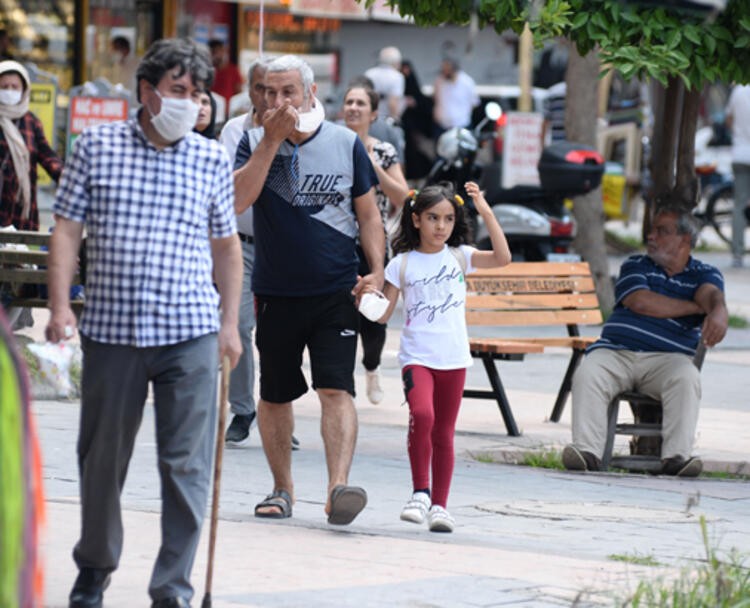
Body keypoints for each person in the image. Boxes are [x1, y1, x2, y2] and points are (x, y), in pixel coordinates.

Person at [46, 38, 243, 608]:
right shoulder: (96, 146)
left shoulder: (209, 157)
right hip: (112, 329)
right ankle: (95, 568)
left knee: (187, 463)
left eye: (197, 93)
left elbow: (226, 248)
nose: (189, 102)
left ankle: (173, 587)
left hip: (191, 332)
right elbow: (66, 230)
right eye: (178, 91)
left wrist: (229, 324)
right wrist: (60, 307)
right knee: (101, 459)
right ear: (147, 91)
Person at [233, 54, 385, 525]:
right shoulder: (252, 141)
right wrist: (271, 141)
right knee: (275, 393)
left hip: (336, 290)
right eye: (268, 92)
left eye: (287, 93)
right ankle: (282, 489)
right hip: (276, 290)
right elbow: (238, 199)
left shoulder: (344, 143)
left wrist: (377, 271)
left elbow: (369, 215)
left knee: (335, 388)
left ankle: (338, 486)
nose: (276, 101)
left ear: (310, 93)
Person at [370, 181, 511, 532]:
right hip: (417, 358)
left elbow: (503, 258)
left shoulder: (460, 256)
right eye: (433, 218)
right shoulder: (401, 264)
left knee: (445, 433)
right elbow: (383, 314)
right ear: (416, 220)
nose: (441, 227)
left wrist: (485, 208)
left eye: (448, 219)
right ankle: (419, 491)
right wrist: (362, 296)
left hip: (453, 360)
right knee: (422, 413)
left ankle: (440, 506)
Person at [562, 204, 728, 477]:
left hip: (667, 360)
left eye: (662, 231)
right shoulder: (636, 264)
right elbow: (640, 302)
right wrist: (695, 307)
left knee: (687, 378)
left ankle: (677, 458)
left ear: (684, 240)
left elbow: (711, 296)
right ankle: (587, 453)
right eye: (652, 230)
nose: (651, 236)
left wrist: (718, 311)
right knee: (589, 372)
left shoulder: (703, 273)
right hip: (616, 352)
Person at [219, 57, 303, 449]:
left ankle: (277, 410)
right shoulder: (234, 131)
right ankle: (242, 407)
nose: (270, 98)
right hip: (244, 242)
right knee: (237, 323)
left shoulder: (303, 131)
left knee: (280, 333)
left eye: (279, 91)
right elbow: (227, 190)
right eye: (261, 89)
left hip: (285, 247)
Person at [342, 83, 409, 404]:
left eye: (360, 103)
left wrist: (374, 167)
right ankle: (342, 382)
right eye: (349, 102)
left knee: (371, 315)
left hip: (373, 242)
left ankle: (371, 366)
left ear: (373, 113)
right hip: (337, 242)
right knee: (339, 313)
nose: (353, 107)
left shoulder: (384, 151)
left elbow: (404, 198)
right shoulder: (332, 144)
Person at [0, 60, 63, 230]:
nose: (9, 91)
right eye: (4, 87)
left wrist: (67, 178)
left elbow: (47, 155)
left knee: (20, 254)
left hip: (21, 209)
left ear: (24, 90)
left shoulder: (31, 122)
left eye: (15, 87)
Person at [725, 83, 750, 268]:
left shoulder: (738, 91)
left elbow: (728, 119)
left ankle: (737, 253)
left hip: (740, 154)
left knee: (739, 205)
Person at [400, 59, 434, 180]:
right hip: (401, 128)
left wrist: (415, 103)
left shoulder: (415, 90)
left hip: (414, 132)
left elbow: (423, 105)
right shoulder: (397, 85)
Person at [432, 57, 479, 137]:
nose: (444, 72)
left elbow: (474, 103)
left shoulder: (467, 82)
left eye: (447, 70)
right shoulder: (439, 81)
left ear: (453, 70)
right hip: (441, 126)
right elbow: (435, 99)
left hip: (461, 126)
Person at [364, 46, 405, 122]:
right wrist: (395, 120)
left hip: (368, 117)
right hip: (386, 118)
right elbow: (393, 102)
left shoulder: (369, 73)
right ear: (396, 62)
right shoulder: (397, 77)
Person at [208, 39, 243, 118]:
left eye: (219, 52)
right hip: (212, 110)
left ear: (223, 52)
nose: (217, 55)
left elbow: (239, 92)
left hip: (229, 112)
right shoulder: (207, 71)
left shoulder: (233, 70)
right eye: (213, 52)